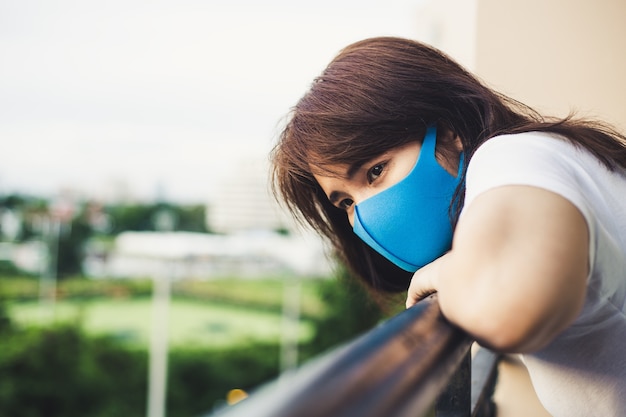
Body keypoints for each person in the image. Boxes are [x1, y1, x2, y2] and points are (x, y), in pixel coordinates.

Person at [270, 37, 626, 416]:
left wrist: (448, 270)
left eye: (376, 171)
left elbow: (507, 309)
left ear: (449, 131)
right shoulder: (543, 161)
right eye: (346, 202)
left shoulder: (511, 158)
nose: (366, 214)